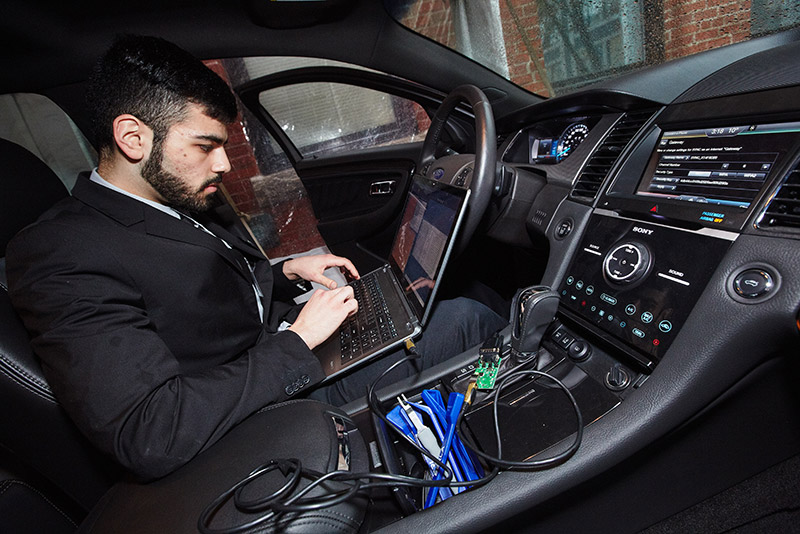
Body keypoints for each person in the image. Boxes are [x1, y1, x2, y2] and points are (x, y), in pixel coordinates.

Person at [5, 35, 506, 481]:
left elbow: (191, 293)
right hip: (260, 421)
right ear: (133, 138)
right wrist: (299, 340)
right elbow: (150, 431)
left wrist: (283, 272)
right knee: (463, 318)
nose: (223, 164)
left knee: (429, 305)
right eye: (205, 145)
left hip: (271, 358)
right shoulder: (59, 254)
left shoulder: (162, 194)